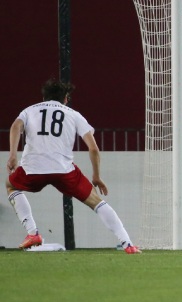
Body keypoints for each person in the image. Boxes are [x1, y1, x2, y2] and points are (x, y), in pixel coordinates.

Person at [5, 79, 141, 253]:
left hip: (33, 169)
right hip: (64, 171)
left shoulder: (30, 110)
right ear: (66, 98)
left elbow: (16, 126)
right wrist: (96, 176)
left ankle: (33, 233)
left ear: (44, 97)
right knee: (96, 202)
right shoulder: (74, 114)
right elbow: (93, 149)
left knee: (10, 185)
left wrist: (12, 155)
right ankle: (127, 244)